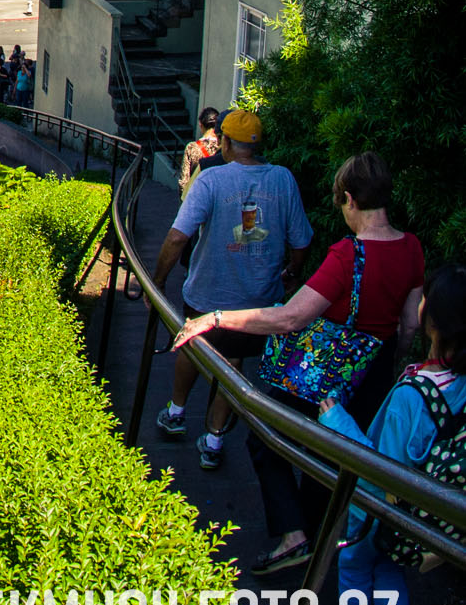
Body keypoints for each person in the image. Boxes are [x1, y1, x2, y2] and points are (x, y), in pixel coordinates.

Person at [172, 153, 424, 577]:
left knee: (267, 436)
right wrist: (391, 360)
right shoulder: (412, 246)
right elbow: (411, 323)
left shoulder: (349, 255)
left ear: (349, 199)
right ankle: (320, 543)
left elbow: (290, 317)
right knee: (338, 458)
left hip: (326, 378)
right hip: (375, 371)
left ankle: (295, 537)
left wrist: (215, 318)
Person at [319, 261, 466, 605]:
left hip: (384, 508)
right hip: (425, 516)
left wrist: (336, 422)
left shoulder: (413, 396)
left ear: (430, 321)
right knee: (387, 566)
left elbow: (380, 471)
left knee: (354, 565)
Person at [153, 111, 313, 469]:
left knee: (194, 346)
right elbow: (301, 240)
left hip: (208, 291)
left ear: (224, 142)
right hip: (257, 299)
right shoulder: (283, 180)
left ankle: (176, 412)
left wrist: (159, 279)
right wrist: (293, 272)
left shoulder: (211, 180)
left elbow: (178, 237)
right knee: (235, 363)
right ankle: (213, 439)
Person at [180, 108, 223, 197]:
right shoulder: (224, 148)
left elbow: (184, 181)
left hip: (197, 196)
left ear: (200, 124)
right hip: (217, 196)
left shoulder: (192, 148)